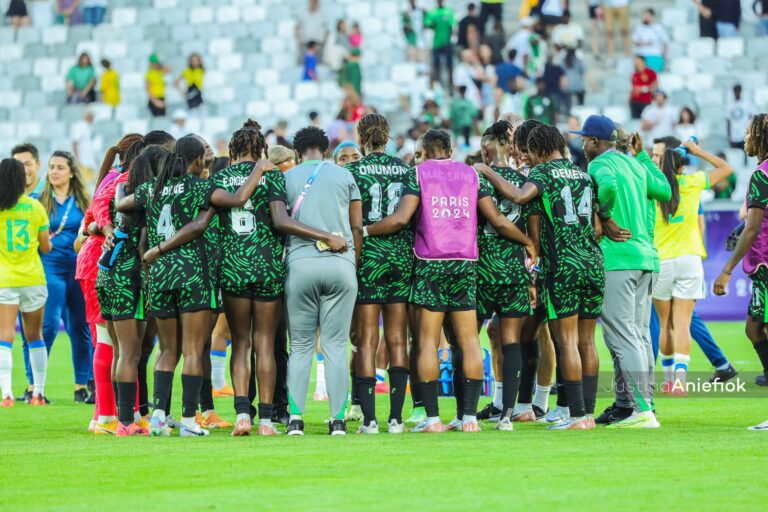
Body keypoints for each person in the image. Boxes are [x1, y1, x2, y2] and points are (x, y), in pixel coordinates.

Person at [368, 129, 534, 434]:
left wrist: (364, 231)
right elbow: (497, 219)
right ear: (449, 150)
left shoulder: (417, 174)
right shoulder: (471, 175)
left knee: (428, 342)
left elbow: (401, 219)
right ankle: (469, 418)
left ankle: (433, 419)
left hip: (430, 263)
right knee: (470, 340)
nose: (418, 158)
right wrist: (527, 242)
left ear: (426, 152)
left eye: (420, 154)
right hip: (466, 264)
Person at [119, 134, 267, 437]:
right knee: (192, 351)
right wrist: (259, 170)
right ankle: (188, 420)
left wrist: (121, 190)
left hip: (160, 277)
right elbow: (239, 199)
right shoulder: (202, 187)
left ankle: (158, 417)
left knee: (167, 350)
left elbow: (122, 203)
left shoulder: (152, 188)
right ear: (199, 160)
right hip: (193, 276)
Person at [478, 124, 603, 430]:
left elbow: (519, 197)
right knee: (587, 341)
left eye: (530, 153)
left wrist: (487, 171)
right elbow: (598, 227)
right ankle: (587, 413)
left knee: (567, 341)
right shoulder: (584, 175)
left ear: (539, 149)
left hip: (563, 267)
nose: (528, 159)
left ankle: (576, 416)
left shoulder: (543, 174)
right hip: (593, 262)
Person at [577, 116, 670, 428]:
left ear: (594, 141)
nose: (582, 144)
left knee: (623, 336)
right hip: (645, 257)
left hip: (618, 258)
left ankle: (641, 411)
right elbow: (664, 190)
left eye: (584, 139)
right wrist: (641, 155)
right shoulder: (635, 164)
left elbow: (607, 187)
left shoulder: (599, 164)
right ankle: (638, 406)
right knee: (639, 336)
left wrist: (604, 216)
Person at [282, 126, 361, 436]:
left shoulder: (287, 178)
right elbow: (356, 226)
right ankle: (337, 420)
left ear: (297, 151)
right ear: (326, 150)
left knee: (301, 346)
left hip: (301, 264)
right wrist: (352, 263)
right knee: (336, 345)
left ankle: (295, 419)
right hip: (341, 263)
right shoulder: (345, 175)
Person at [345, 114, 414, 435]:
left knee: (366, 340)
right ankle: (396, 419)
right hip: (400, 258)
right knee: (398, 338)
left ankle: (369, 420)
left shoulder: (352, 171)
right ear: (387, 137)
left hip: (367, 258)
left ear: (361, 138)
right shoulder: (406, 170)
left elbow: (350, 222)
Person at [473, 121, 537, 430]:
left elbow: (492, 222)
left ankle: (465, 414)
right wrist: (529, 247)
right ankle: (508, 415)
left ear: (486, 150)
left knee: (468, 339)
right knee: (512, 341)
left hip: (482, 270)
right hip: (514, 270)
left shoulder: (476, 179)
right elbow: (533, 228)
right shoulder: (524, 184)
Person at [94, 144, 162, 436]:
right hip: (129, 277)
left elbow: (96, 219)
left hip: (106, 273)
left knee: (119, 351)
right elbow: (145, 245)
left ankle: (120, 417)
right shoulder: (148, 196)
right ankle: (125, 422)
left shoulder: (120, 190)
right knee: (129, 353)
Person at [654, 141, 732, 393]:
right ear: (682, 167)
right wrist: (698, 151)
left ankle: (668, 380)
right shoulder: (693, 181)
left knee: (665, 324)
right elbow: (726, 168)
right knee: (683, 324)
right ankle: (680, 382)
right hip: (689, 259)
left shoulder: (652, 188)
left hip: (661, 261)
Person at [714, 114, 768, 421]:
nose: (745, 138)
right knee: (753, 329)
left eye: (748, 133)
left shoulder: (762, 174)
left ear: (760, 137)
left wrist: (727, 269)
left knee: (761, 329)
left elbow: (752, 228)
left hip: (765, 263)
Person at [32, 151, 92, 404]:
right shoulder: (39, 201)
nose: (54, 172)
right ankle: (36, 386)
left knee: (80, 327)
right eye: (51, 167)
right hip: (50, 267)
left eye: (59, 167)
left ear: (71, 172)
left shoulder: (83, 201)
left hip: (78, 269)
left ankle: (81, 385)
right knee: (48, 325)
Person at [0, 158, 52, 408]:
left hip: (5, 279)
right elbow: (46, 247)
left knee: (5, 336)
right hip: (33, 278)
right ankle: (38, 394)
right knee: (35, 336)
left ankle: (7, 394)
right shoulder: (34, 207)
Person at [425, 0, 455, 88]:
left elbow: (453, 25)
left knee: (449, 64)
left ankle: (451, 85)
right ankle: (437, 85)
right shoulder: (432, 13)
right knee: (436, 64)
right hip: (436, 42)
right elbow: (427, 24)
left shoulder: (448, 12)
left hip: (447, 41)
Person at [727, 84, 754, 151]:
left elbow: (751, 119)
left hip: (744, 135)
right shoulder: (730, 105)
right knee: (736, 155)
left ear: (741, 91)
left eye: (738, 91)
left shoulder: (747, 104)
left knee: (746, 154)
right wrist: (729, 137)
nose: (737, 93)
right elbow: (728, 122)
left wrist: (750, 133)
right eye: (735, 91)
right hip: (734, 137)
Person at [72, 110, 97, 180]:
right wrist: (77, 158)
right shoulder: (79, 126)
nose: (93, 118)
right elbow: (75, 142)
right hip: (83, 160)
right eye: (91, 116)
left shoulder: (89, 126)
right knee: (85, 180)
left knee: (91, 180)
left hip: (91, 160)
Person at [630, 56, 657, 120]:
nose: (636, 63)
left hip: (646, 102)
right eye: (635, 61)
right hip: (634, 102)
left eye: (638, 61)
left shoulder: (650, 72)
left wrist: (642, 89)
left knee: (645, 119)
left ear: (643, 62)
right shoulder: (634, 74)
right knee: (635, 121)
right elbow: (633, 88)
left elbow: (655, 86)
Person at [562, 49, 588, 115]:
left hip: (568, 86)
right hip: (579, 86)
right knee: (581, 106)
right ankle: (581, 114)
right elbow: (586, 73)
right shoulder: (578, 61)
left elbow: (562, 76)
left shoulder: (563, 61)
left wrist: (563, 87)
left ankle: (568, 115)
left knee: (568, 106)